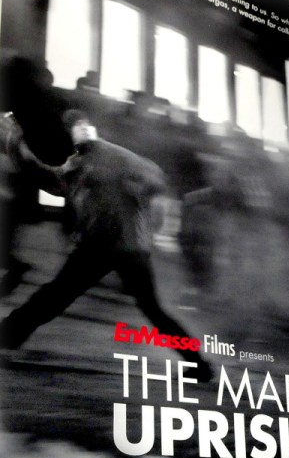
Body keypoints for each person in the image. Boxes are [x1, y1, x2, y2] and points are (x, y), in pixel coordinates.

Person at [0, 109, 212, 381]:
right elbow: (155, 180)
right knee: (151, 309)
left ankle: (8, 335)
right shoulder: (106, 160)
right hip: (130, 245)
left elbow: (45, 177)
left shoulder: (84, 163)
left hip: (102, 244)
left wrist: (15, 143)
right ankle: (199, 364)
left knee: (54, 296)